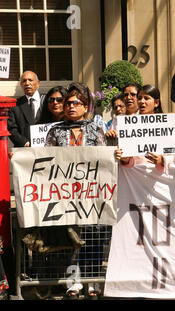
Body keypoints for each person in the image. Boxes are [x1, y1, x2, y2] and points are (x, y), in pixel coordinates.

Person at [45, 82, 107, 299]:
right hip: (65, 193)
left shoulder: (95, 129)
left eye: (75, 103)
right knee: (71, 238)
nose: (70, 106)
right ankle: (74, 282)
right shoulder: (55, 131)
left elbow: (103, 157)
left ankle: (93, 282)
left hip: (90, 193)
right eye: (67, 102)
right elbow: (45, 159)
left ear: (85, 106)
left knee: (93, 236)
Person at [7, 70, 44, 147]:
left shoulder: (47, 100)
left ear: (38, 83)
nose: (27, 83)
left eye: (30, 80)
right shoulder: (15, 105)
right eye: (24, 81)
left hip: (46, 148)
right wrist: (25, 143)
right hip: (24, 150)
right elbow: (11, 129)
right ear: (21, 84)